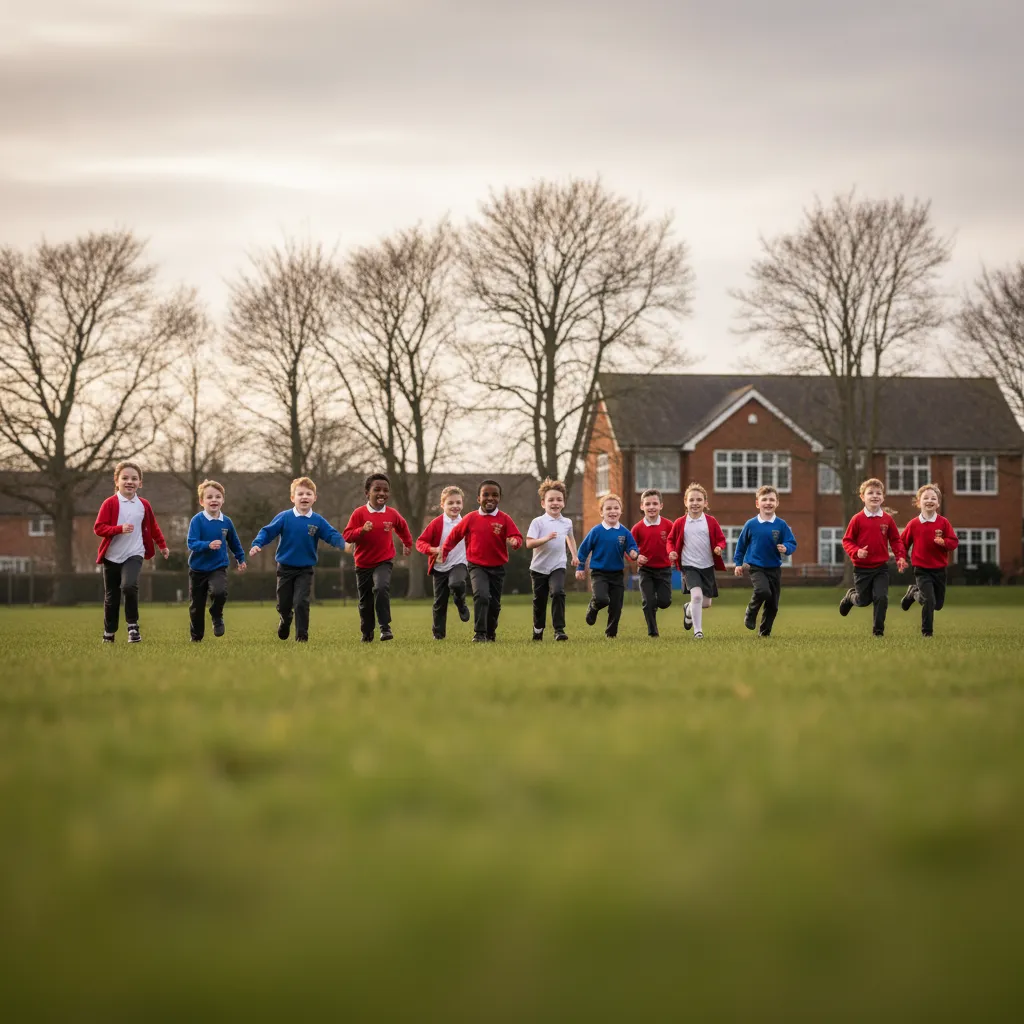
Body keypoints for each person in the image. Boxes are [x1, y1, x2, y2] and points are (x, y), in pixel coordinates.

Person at [249, 476, 345, 643]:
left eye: (309, 493)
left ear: (315, 498)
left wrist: (345, 544)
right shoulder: (284, 517)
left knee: (301, 602)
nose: (304, 497)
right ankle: (285, 619)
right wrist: (258, 543)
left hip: (305, 569)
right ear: (292, 498)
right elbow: (267, 531)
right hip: (285, 568)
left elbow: (331, 534)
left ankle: (302, 636)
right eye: (300, 494)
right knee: (284, 604)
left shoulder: (317, 520)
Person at [93, 461, 169, 644]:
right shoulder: (110, 503)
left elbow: (153, 526)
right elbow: (99, 528)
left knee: (129, 586)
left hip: (134, 553)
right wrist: (118, 529)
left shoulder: (143, 505)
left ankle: (133, 627)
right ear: (117, 481)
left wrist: (162, 545)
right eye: (125, 478)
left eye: (134, 478)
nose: (130, 481)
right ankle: (109, 632)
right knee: (112, 596)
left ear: (140, 483)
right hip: (112, 556)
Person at [440, 479, 523, 642]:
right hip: (477, 566)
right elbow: (454, 536)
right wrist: (444, 551)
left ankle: (490, 632)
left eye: (495, 495)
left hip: (497, 567)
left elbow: (517, 536)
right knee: (481, 596)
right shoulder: (470, 518)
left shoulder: (504, 519)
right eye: (486, 495)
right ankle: (479, 633)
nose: (490, 498)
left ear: (499, 498)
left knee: (494, 604)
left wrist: (515, 541)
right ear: (478, 498)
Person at [342, 473, 414, 642]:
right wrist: (362, 531)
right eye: (377, 490)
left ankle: (385, 627)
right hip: (363, 563)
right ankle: (367, 632)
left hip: (384, 560)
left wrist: (407, 543)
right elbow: (347, 536)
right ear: (367, 492)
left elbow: (403, 528)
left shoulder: (392, 514)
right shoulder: (359, 513)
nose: (382, 493)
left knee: (381, 588)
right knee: (365, 600)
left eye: (386, 490)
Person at [839, 477, 908, 637]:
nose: (875, 496)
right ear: (863, 497)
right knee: (863, 601)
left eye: (878, 493)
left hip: (880, 568)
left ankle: (878, 631)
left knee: (881, 597)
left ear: (883, 497)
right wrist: (857, 551)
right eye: (870, 493)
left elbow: (896, 540)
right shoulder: (857, 519)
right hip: (862, 569)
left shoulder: (887, 519)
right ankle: (850, 597)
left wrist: (900, 557)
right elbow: (847, 541)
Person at [732, 485, 797, 637]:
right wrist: (738, 563)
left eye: (772, 500)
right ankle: (751, 611)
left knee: (773, 605)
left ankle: (764, 632)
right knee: (762, 591)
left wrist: (786, 548)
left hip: (774, 568)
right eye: (764, 499)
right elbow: (741, 545)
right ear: (757, 503)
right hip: (756, 567)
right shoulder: (751, 524)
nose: (768, 503)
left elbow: (792, 542)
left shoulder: (781, 525)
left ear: (777, 503)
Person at [186, 479, 247, 642]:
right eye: (209, 497)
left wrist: (241, 558)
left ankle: (216, 615)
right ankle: (196, 637)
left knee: (219, 592)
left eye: (218, 497)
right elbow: (191, 542)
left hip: (217, 567)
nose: (214, 500)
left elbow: (234, 542)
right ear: (202, 501)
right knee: (196, 607)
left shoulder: (226, 522)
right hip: (197, 569)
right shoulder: (197, 520)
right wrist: (207, 545)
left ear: (223, 500)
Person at [575, 493, 639, 639]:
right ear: (601, 512)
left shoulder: (624, 532)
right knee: (602, 599)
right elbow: (583, 550)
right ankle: (593, 606)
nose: (612, 511)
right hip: (599, 573)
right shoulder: (596, 531)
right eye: (608, 508)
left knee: (616, 606)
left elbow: (632, 547)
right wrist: (580, 567)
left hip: (617, 574)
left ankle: (611, 634)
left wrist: (634, 553)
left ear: (620, 511)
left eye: (616, 508)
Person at [667, 482, 726, 640]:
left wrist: (719, 547)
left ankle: (688, 609)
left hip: (707, 566)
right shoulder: (680, 522)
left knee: (705, 603)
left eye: (699, 500)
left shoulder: (711, 521)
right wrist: (671, 551)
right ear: (685, 502)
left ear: (705, 503)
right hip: (689, 566)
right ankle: (698, 631)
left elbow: (721, 539)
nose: (695, 503)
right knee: (697, 597)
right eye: (691, 500)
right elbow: (670, 540)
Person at [899, 483, 959, 637]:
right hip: (921, 569)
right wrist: (901, 557)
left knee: (937, 605)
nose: (930, 500)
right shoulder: (913, 524)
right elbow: (902, 543)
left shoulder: (943, 523)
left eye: (933, 498)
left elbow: (953, 542)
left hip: (939, 570)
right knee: (929, 601)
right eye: (926, 498)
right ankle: (927, 632)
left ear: (938, 503)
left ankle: (913, 593)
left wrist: (944, 542)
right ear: (919, 502)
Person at [526, 478, 579, 642]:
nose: (555, 503)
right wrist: (545, 539)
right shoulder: (538, 522)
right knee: (539, 601)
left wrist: (575, 556)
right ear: (543, 503)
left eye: (559, 499)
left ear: (563, 502)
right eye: (551, 500)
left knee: (558, 592)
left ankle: (559, 630)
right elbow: (529, 543)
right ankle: (538, 629)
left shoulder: (567, 522)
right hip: (539, 568)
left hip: (558, 565)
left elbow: (570, 539)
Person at [416, 485, 471, 640]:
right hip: (440, 567)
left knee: (457, 583)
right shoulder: (436, 523)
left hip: (459, 564)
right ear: (442, 505)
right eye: (451, 503)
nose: (455, 506)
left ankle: (461, 603)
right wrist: (432, 549)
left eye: (458, 503)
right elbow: (420, 543)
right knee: (439, 602)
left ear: (462, 504)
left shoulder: (466, 522)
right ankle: (438, 634)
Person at [631, 488, 673, 637]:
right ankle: (652, 632)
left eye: (655, 503)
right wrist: (636, 557)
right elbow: (630, 549)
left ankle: (655, 605)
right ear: (642, 506)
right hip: (646, 570)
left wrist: (674, 554)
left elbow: (675, 543)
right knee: (648, 602)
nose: (651, 507)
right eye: (647, 504)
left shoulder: (669, 525)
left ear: (661, 505)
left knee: (664, 602)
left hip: (664, 569)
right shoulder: (637, 528)